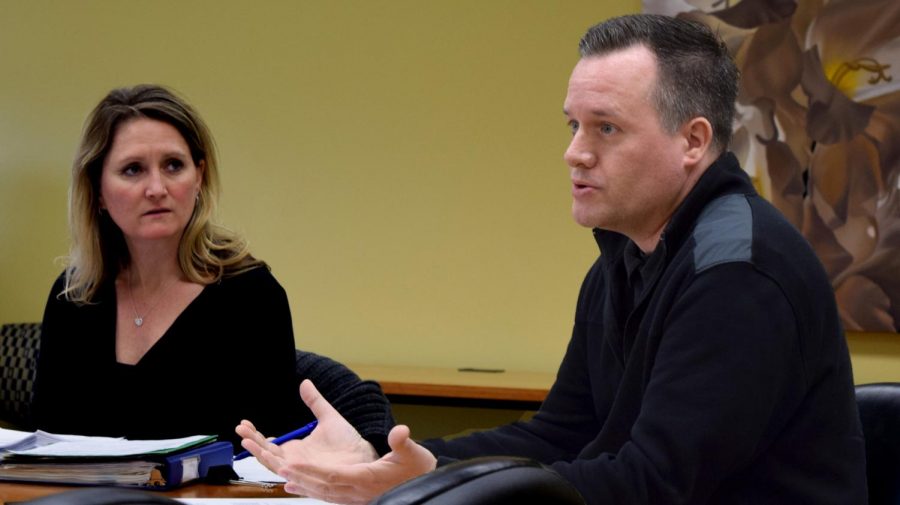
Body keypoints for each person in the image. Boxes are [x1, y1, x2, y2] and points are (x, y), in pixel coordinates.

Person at [236, 14, 868, 504]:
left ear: (693, 141)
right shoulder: (624, 257)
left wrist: (426, 488)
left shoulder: (737, 274)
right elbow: (559, 435)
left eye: (606, 128)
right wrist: (393, 463)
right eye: (572, 125)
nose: (575, 153)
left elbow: (654, 486)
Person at [31, 84, 394, 453]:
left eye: (173, 165)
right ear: (98, 191)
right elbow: (47, 445)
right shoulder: (74, 297)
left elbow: (264, 451)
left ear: (199, 176)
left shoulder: (250, 295)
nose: (157, 187)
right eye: (132, 170)